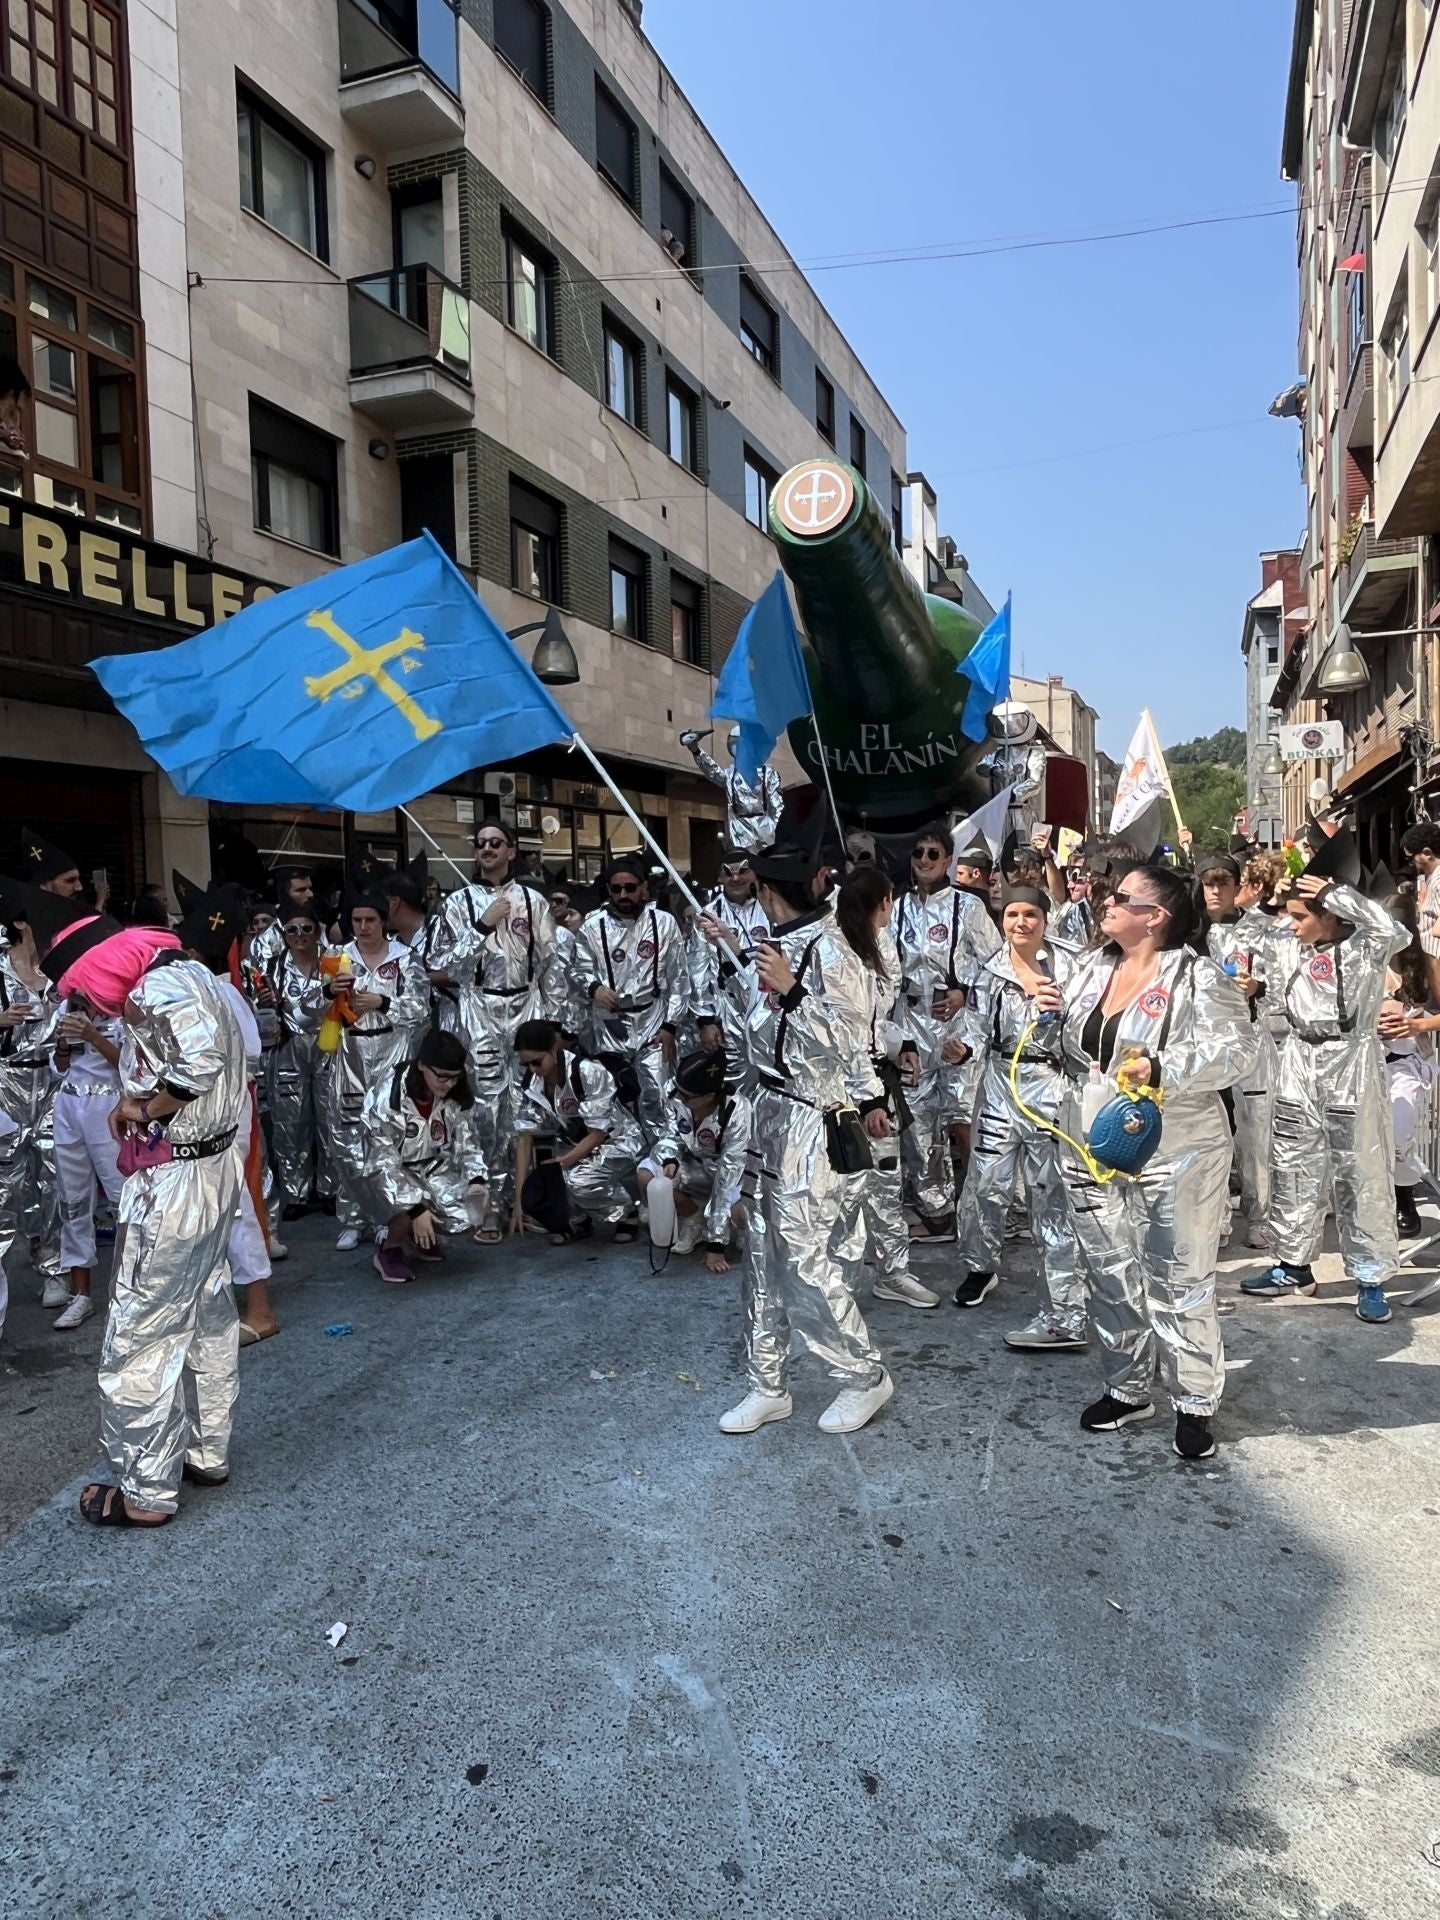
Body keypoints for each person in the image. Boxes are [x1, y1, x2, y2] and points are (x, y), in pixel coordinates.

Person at [1044, 864, 1255, 1460]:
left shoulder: (1198, 977)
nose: (1104, 903)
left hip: (1180, 1147)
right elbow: (1069, 1051)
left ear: (1154, 916)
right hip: (1091, 1140)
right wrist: (1046, 1018)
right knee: (1109, 1271)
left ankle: (1193, 1401)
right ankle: (1127, 1385)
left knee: (1178, 1278)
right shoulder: (1090, 968)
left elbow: (1239, 1050)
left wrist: (1165, 1067)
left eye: (1119, 897)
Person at [704, 807, 895, 1437]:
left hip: (814, 1121)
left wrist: (792, 993)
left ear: (764, 889)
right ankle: (768, 1383)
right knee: (760, 1255)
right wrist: (733, 956)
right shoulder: (775, 945)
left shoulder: (833, 951)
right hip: (769, 1115)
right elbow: (761, 1035)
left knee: (805, 1260)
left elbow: (850, 1041)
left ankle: (862, 1375)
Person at [51, 913, 247, 1528]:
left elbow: (197, 1062)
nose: (87, 1002)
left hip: (179, 1180)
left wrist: (141, 1105)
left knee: (141, 1334)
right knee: (208, 1312)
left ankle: (145, 1491)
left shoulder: (161, 985)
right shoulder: (191, 973)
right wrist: (140, 1102)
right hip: (209, 1169)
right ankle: (206, 1450)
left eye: (81, 988)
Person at [1244, 835, 1409, 1323]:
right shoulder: (1288, 945)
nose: (1292, 926)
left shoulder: (1366, 947)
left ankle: (1371, 1275)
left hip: (1350, 1060)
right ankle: (1293, 1265)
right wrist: (1256, 989)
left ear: (1332, 916)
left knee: (1360, 1172)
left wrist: (1337, 892)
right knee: (1293, 1166)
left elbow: (1395, 932)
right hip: (1296, 1058)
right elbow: (1253, 932)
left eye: (1302, 917)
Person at [951, 883, 1087, 1350]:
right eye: (1012, 915)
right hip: (999, 1087)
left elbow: (1091, 1020)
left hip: (1052, 1089)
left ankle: (1066, 1307)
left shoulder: (1071, 966)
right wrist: (960, 1048)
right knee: (985, 1183)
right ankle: (980, 1266)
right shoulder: (989, 970)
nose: (1020, 923)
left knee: (1050, 1199)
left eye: (1030, 914)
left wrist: (1063, 1011)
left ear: (1045, 920)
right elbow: (973, 1026)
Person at [431, 820, 561, 1240]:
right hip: (479, 1008)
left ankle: (524, 1202)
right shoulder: (458, 904)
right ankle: (488, 1205)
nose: (487, 849)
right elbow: (444, 967)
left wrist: (553, 1025)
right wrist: (481, 927)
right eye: (481, 843)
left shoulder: (534, 901)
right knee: (485, 1110)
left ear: (511, 851)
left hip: (526, 1006)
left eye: (495, 843)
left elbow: (551, 963)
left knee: (528, 1107)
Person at [830, 863, 939, 1310]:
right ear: (882, 902)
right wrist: (869, 1098)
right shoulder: (836, 956)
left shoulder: (883, 946)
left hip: (879, 1074)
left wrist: (905, 1043)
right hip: (844, 1087)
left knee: (886, 1184)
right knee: (841, 1189)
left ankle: (893, 1272)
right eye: (888, 899)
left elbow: (884, 1015)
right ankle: (833, 1278)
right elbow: (847, 1033)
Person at [889, 821, 1002, 1240]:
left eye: (933, 854)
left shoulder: (967, 907)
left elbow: (996, 964)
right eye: (918, 853)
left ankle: (984, 1211)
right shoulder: (897, 908)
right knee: (917, 1124)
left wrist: (964, 992)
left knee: (963, 1121)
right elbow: (882, 966)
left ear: (949, 861)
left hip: (957, 1024)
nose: (923, 861)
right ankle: (937, 1213)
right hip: (912, 1025)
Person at [326, 894, 430, 1252]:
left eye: (370, 920)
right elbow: (306, 1009)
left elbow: (421, 1008)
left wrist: (384, 1003)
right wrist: (327, 992)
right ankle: (354, 1218)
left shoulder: (405, 959)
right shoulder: (338, 959)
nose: (364, 927)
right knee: (347, 1137)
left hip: (393, 1051)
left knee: (392, 1136)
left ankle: (393, 1217)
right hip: (349, 1053)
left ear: (384, 921)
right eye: (357, 920)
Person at [576, 853, 686, 1146]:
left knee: (658, 1095)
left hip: (653, 1019)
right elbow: (575, 970)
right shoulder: (592, 927)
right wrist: (593, 988)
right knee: (613, 1099)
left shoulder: (664, 924)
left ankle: (663, 1163)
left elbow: (679, 979)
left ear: (644, 888)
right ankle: (626, 1164)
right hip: (610, 1024)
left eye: (630, 887)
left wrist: (671, 1026)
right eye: (616, 889)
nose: (623, 894)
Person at [363, 1030, 490, 1283]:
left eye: (455, 1078)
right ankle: (390, 1248)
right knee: (403, 1203)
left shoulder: (455, 1095)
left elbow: (468, 1143)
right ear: (421, 1065)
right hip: (382, 1171)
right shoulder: (389, 1099)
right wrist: (416, 1207)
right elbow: (382, 1164)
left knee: (465, 1212)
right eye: (442, 1077)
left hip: (430, 1165)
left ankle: (419, 1235)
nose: (449, 1084)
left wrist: (477, 1181)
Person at [510, 1018, 642, 1244]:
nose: (532, 1069)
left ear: (553, 1049)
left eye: (537, 1062)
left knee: (579, 1180)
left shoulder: (588, 1072)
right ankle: (579, 1219)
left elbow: (598, 1132)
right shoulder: (529, 1082)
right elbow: (524, 1137)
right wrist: (520, 1199)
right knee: (549, 1177)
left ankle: (626, 1212)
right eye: (526, 1065)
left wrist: (563, 1163)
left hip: (617, 1139)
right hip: (574, 1141)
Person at [1199, 851, 1272, 1247]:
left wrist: (1257, 989)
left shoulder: (1261, 929)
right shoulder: (1188, 930)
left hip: (1250, 1042)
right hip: (1205, 1045)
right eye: (1208, 883)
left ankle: (1259, 1213)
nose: (1214, 891)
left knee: (1255, 1131)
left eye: (1221, 883)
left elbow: (1281, 984)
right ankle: (1219, 1218)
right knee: (1213, 1133)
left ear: (1236, 884)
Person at [0, 888, 64, 1302]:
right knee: (7, 1184)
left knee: (58, 1177)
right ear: (22, 923)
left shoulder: (61, 970)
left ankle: (54, 1266)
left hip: (54, 1082)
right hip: (7, 1083)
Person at [48, 985, 124, 1330]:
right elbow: (60, 1067)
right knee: (73, 1200)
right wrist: (63, 1044)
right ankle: (81, 1295)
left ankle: (131, 1291)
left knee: (124, 1198)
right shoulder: (66, 1005)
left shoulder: (123, 1005)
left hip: (109, 1105)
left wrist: (93, 1034)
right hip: (68, 1105)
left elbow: (129, 1064)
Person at [638, 1046, 751, 1268]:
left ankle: (726, 1228)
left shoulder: (738, 1111)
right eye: (678, 1091)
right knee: (647, 1174)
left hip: (736, 1175)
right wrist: (669, 1160)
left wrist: (716, 1246)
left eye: (686, 1096)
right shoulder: (677, 1092)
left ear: (709, 1096)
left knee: (742, 1215)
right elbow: (669, 1134)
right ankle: (693, 1218)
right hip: (696, 1164)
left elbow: (728, 1175)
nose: (678, 1097)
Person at [262, 904, 333, 1218]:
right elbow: (258, 1011)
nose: (300, 935)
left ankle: (331, 1189)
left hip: (328, 1043)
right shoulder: (272, 966)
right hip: (288, 1047)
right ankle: (296, 1192)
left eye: (306, 928)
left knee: (331, 1120)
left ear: (317, 932)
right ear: (284, 935)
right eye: (292, 929)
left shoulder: (333, 961)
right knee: (290, 1123)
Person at [1379, 893, 1438, 1239]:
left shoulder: (1427, 965)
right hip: (1365, 1061)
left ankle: (1405, 1197)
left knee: (1399, 1133)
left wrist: (1417, 1025)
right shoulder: (1363, 961)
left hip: (1407, 1062)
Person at [678, 725, 782, 854]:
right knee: (741, 864)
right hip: (738, 828)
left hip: (765, 830)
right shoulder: (731, 775)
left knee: (762, 866)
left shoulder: (768, 774)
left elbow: (777, 805)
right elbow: (713, 772)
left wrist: (779, 832)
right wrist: (696, 751)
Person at [1403, 821, 1440, 1004]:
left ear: (1426, 853)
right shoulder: (1430, 879)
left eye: (1410, 858)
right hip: (1431, 963)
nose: (1410, 864)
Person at [249, 867, 317, 965]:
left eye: (310, 888)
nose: (310, 894)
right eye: (301, 890)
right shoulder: (265, 941)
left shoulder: (321, 930)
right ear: (285, 895)